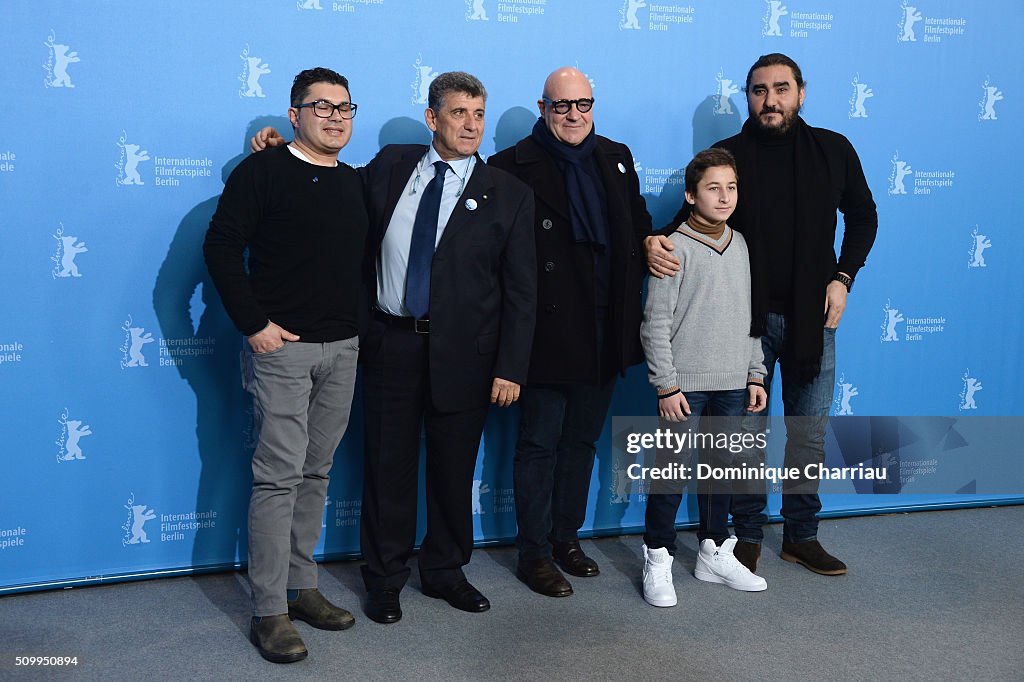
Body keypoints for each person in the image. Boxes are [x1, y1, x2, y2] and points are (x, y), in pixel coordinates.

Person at [250, 72, 537, 622]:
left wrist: (511, 367)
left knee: (454, 471)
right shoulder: (389, 166)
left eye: (478, 115)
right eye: (459, 114)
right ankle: (384, 578)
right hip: (388, 345)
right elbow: (323, 181)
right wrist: (275, 150)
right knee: (388, 470)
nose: (471, 125)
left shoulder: (509, 194)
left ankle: (446, 572)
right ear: (433, 119)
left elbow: (522, 291)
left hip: (466, 356)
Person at [646, 53, 878, 576]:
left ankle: (801, 535)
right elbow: (684, 225)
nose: (769, 100)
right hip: (741, 324)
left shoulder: (834, 150)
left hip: (812, 318)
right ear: (747, 95)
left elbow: (864, 217)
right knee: (744, 439)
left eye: (780, 89)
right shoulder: (728, 156)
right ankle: (743, 536)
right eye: (758, 90)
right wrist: (649, 242)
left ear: (801, 92)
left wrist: (842, 279)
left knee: (808, 430)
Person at [204, 67, 367, 664]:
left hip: (342, 350)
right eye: (319, 106)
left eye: (344, 107)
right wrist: (254, 325)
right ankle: (269, 609)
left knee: (316, 474)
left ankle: (303, 589)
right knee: (278, 478)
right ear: (293, 114)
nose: (334, 116)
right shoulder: (262, 171)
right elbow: (220, 246)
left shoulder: (356, 181)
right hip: (283, 353)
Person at [488, 67, 651, 597]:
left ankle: (566, 538)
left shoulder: (616, 156)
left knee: (581, 441)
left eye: (583, 104)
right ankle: (533, 554)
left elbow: (639, 225)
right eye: (562, 106)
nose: (574, 115)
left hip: (607, 326)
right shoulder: (510, 166)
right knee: (539, 443)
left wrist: (655, 243)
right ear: (542, 108)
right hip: (547, 331)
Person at [638, 148, 768, 608]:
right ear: (691, 195)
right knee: (671, 474)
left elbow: (750, 317)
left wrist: (755, 372)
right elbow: (654, 322)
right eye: (714, 187)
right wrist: (667, 384)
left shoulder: (743, 244)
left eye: (731, 187)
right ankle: (658, 556)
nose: (725, 196)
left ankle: (713, 550)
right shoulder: (673, 247)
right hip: (685, 385)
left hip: (734, 380)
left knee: (721, 473)